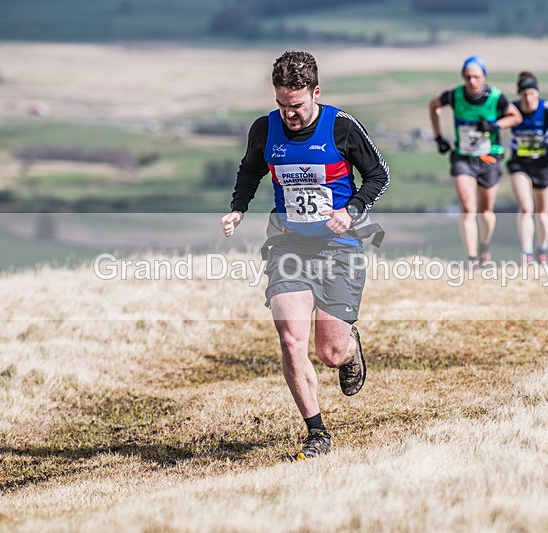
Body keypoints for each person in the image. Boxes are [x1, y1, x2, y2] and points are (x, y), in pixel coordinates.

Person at [221, 50, 390, 460]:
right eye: (281, 104)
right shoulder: (265, 129)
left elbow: (378, 175)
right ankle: (316, 433)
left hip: (339, 247)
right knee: (290, 338)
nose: (289, 114)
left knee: (328, 352)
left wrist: (350, 211)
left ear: (316, 92)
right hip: (288, 245)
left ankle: (349, 347)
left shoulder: (341, 127)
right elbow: (249, 170)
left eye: (296, 105)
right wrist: (239, 206)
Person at [428, 55, 521, 266]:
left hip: (489, 157)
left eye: (476, 77)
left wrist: (495, 125)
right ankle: (471, 260)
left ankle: (484, 245)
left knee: (485, 211)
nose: (472, 82)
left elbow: (516, 117)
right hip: (463, 157)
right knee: (468, 208)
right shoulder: (454, 96)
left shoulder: (496, 97)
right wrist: (438, 137)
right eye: (468, 77)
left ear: (484, 77)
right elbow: (433, 105)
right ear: (463, 77)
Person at [507, 71, 548, 266]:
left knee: (543, 214)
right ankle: (525, 255)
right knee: (526, 208)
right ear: (519, 94)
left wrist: (544, 146)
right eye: (524, 94)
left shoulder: (547, 109)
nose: (528, 98)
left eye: (532, 94)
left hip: (543, 164)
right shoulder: (513, 109)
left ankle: (541, 250)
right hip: (520, 163)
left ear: (537, 93)